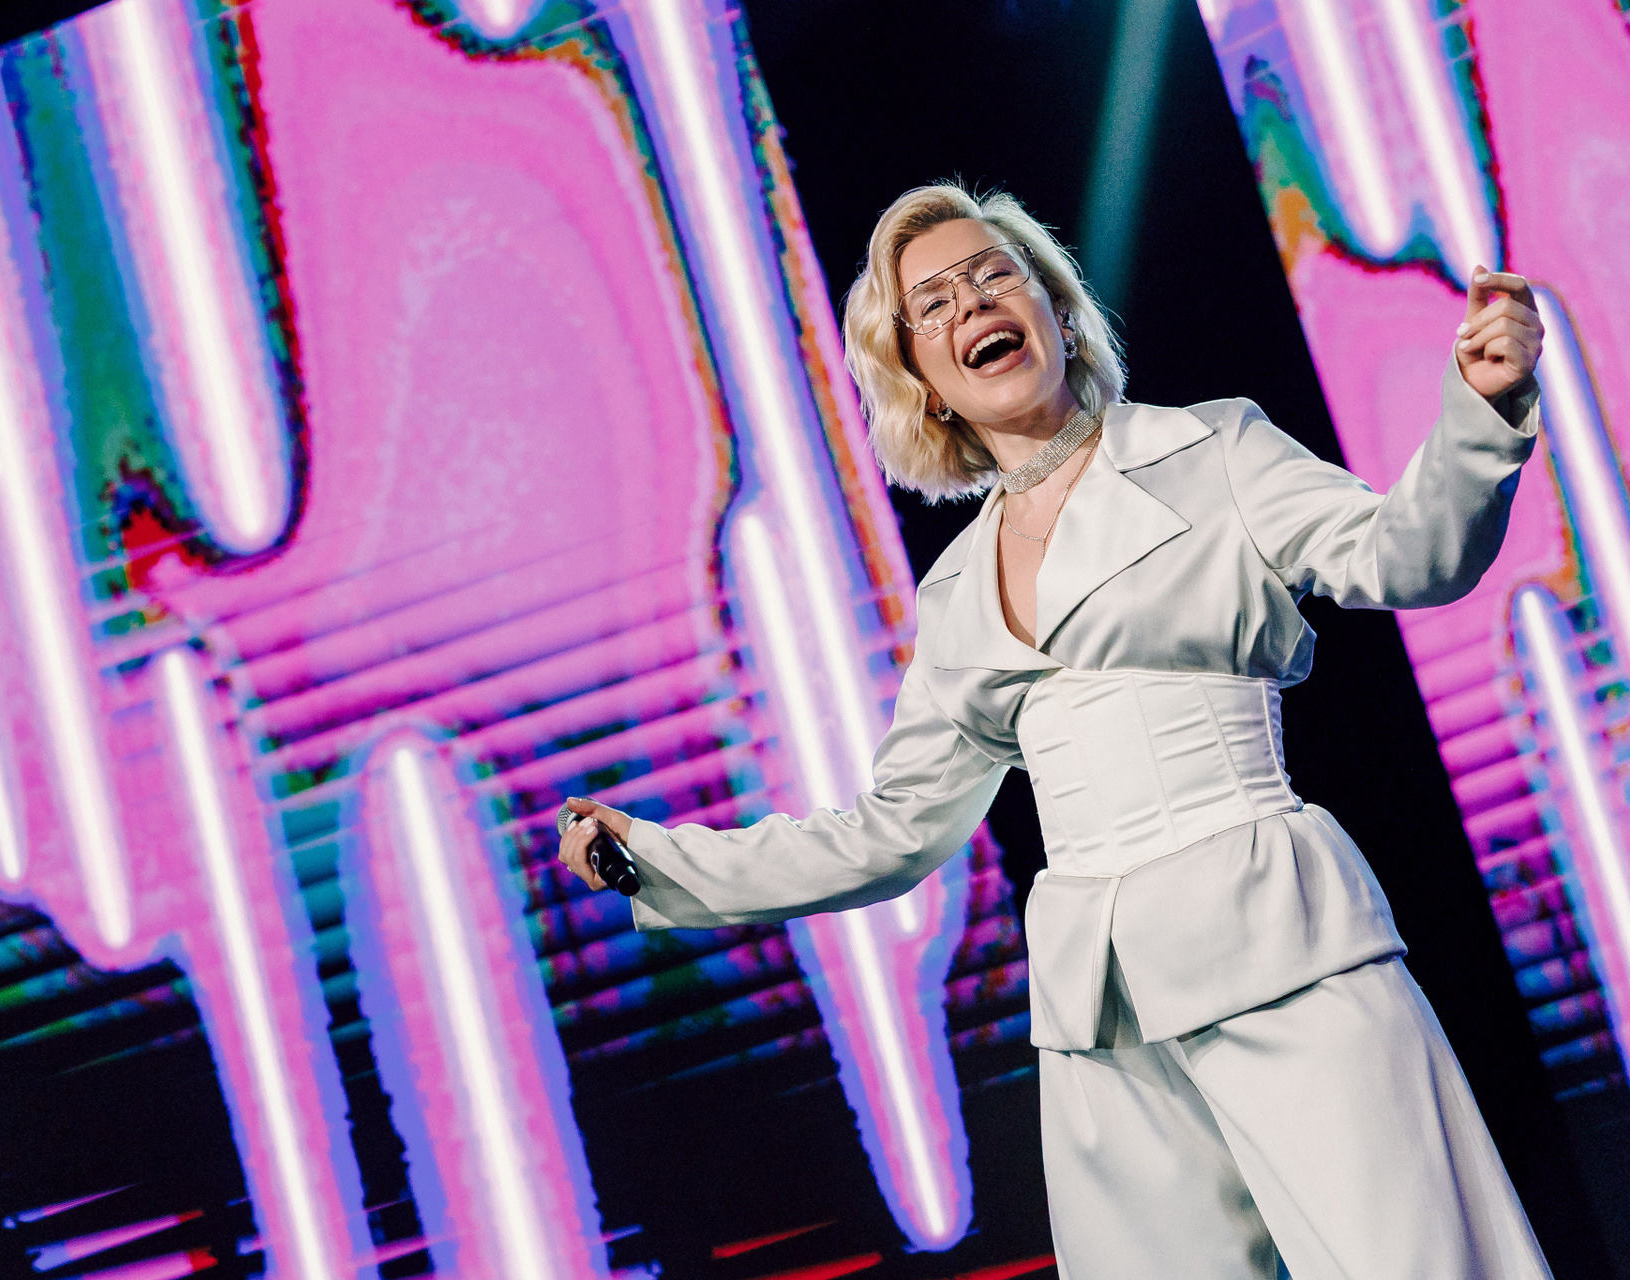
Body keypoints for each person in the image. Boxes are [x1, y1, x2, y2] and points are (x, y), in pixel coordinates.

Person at [558, 182, 1552, 1279]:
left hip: (1282, 950)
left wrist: (1480, 412)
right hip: (1104, 1021)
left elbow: (1405, 556)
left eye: (995, 276)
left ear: (1059, 314)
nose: (973, 305)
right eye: (933, 304)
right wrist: (662, 860)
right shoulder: (953, 593)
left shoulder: (1212, 448)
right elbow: (890, 834)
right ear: (922, 381)